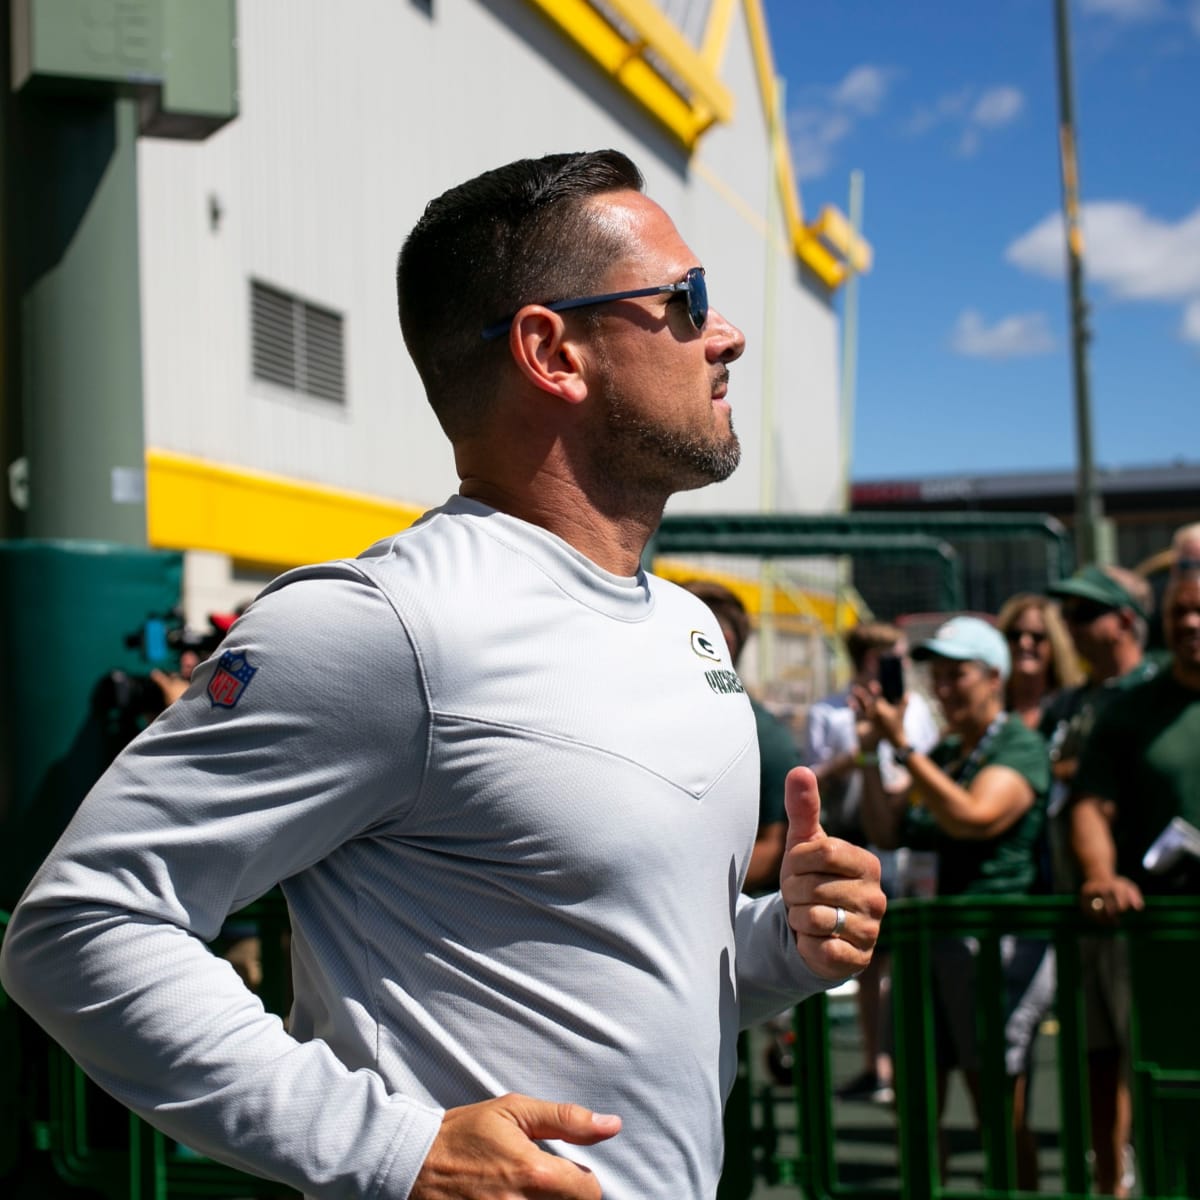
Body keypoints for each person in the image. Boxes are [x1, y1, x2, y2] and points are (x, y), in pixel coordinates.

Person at [0, 150, 885, 1200]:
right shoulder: (388, 623)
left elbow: (621, 966)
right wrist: (393, 1150)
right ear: (553, 352)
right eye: (686, 301)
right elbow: (82, 924)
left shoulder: (685, 626)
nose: (725, 333)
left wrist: (780, 942)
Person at [854, 616, 1051, 1191]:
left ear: (994, 678)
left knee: (996, 1111)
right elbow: (885, 828)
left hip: (990, 949)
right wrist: (870, 754)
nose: (942, 689)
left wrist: (903, 748)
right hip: (928, 947)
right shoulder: (941, 752)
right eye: (935, 677)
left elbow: (974, 816)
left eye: (956, 675)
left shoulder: (1019, 744)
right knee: (914, 1105)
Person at [1068, 533, 1200, 1197]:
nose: (1193, 624)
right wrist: (1100, 875)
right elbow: (1091, 805)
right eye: (1181, 613)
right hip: (1158, 936)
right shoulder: (1130, 712)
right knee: (1157, 1083)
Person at [805, 622, 939, 1104]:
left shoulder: (916, 710)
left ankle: (909, 1063)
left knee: (905, 960)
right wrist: (858, 751)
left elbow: (926, 764)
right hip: (853, 841)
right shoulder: (828, 712)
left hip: (904, 847)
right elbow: (813, 777)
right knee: (865, 957)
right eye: (887, 658)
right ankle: (875, 1065)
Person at [677, 579, 798, 893]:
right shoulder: (655, 721)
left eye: (671, 631)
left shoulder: (765, 737)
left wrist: (686, 888)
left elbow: (775, 848)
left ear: (720, 645)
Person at [995, 593, 1083, 731]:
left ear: (1055, 644)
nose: (1024, 643)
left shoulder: (1073, 706)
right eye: (1015, 635)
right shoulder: (991, 707)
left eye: (1037, 636)